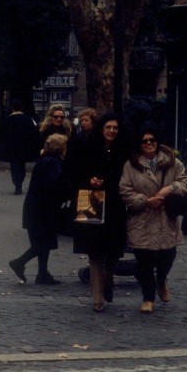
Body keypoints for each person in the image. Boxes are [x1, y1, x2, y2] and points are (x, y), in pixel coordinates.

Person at [119, 125, 187, 314]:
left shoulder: (172, 163)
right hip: (141, 220)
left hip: (165, 219)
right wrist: (145, 201)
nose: (148, 143)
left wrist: (170, 189)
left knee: (167, 256)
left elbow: (186, 182)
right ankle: (148, 297)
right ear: (139, 144)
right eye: (144, 141)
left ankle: (161, 280)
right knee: (144, 261)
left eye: (152, 140)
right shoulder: (130, 165)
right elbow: (125, 191)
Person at [69, 113, 129, 312]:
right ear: (101, 129)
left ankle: (108, 278)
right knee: (95, 253)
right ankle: (97, 299)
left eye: (115, 128)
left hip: (115, 205)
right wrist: (90, 181)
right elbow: (75, 172)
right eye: (108, 127)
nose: (112, 131)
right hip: (93, 203)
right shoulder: (88, 148)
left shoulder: (123, 151)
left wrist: (109, 184)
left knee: (113, 252)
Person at [8, 133, 69, 285]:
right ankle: (19, 263)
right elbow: (52, 185)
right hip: (43, 209)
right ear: (61, 148)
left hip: (35, 207)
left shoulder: (44, 160)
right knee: (42, 244)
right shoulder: (55, 163)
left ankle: (42, 273)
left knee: (42, 242)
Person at [0, 99, 38, 194]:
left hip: (11, 147)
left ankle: (17, 183)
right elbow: (34, 133)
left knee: (14, 166)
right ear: (22, 108)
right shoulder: (28, 119)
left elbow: (1, 134)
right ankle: (20, 181)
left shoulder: (7, 120)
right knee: (22, 165)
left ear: (12, 108)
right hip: (24, 147)